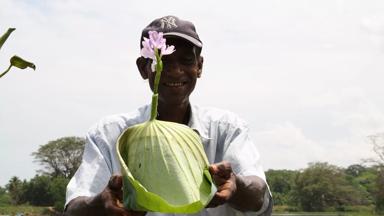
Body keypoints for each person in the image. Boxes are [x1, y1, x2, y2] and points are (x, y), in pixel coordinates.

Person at [64, 15, 273, 216]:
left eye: (186, 60)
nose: (174, 70)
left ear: (199, 66)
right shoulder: (109, 133)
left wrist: (236, 185)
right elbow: (74, 208)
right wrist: (101, 203)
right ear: (144, 68)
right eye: (161, 60)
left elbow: (259, 196)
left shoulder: (227, 128)